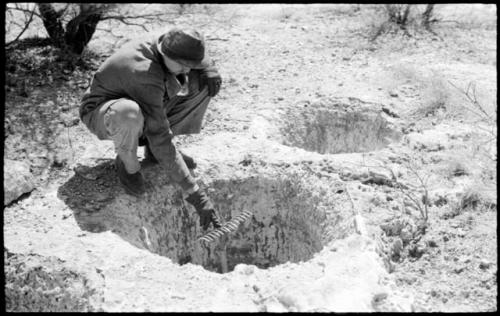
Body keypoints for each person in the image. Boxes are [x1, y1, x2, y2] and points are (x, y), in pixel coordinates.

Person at [79, 27, 222, 231]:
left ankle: (156, 154)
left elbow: (193, 55)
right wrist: (195, 193)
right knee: (128, 114)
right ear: (166, 54)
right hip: (104, 112)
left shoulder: (169, 39)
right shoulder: (143, 71)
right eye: (183, 65)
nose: (187, 70)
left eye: (191, 64)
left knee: (205, 81)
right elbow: (160, 135)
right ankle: (128, 165)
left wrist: (208, 67)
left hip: (143, 101)